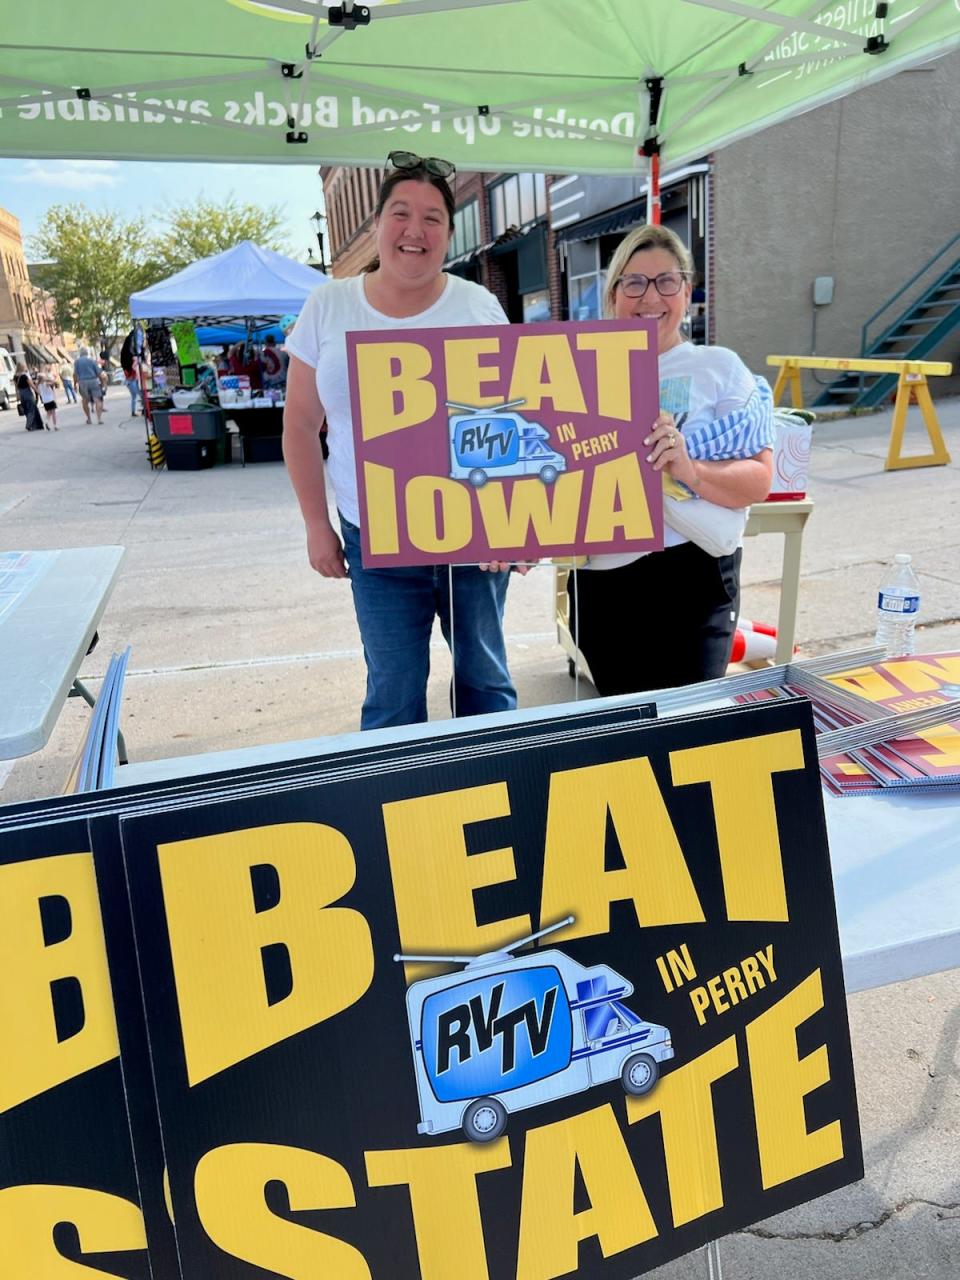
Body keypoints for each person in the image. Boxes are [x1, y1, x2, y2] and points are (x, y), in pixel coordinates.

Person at [284, 151, 520, 731]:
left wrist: (515, 523)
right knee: (391, 696)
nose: (415, 230)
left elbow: (513, 422)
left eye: (433, 217)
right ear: (376, 224)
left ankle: (502, 811)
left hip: (473, 533)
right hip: (376, 538)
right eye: (401, 213)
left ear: (449, 230)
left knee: (485, 685)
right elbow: (298, 425)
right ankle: (397, 811)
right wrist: (317, 525)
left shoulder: (477, 307)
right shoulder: (329, 306)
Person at [568, 224, 775, 696]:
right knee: (630, 731)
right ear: (613, 292)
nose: (650, 297)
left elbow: (760, 480)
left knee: (689, 728)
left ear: (686, 290)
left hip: (694, 576)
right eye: (634, 282)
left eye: (666, 281)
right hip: (606, 582)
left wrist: (689, 469)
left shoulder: (720, 368)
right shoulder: (578, 371)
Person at [74, 346, 105, 424]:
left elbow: (75, 374)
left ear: (80, 353)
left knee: (85, 401)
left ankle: (89, 418)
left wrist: (75, 384)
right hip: (93, 380)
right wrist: (102, 382)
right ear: (87, 352)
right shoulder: (92, 360)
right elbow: (99, 372)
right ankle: (99, 419)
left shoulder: (77, 362)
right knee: (97, 400)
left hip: (83, 382)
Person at [15, 363, 44, 431]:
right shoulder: (25, 376)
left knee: (26, 410)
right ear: (23, 367)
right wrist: (38, 392)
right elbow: (31, 385)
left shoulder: (15, 376)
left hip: (21, 394)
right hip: (27, 393)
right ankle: (30, 424)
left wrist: (17, 395)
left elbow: (16, 387)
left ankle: (32, 425)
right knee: (32, 408)